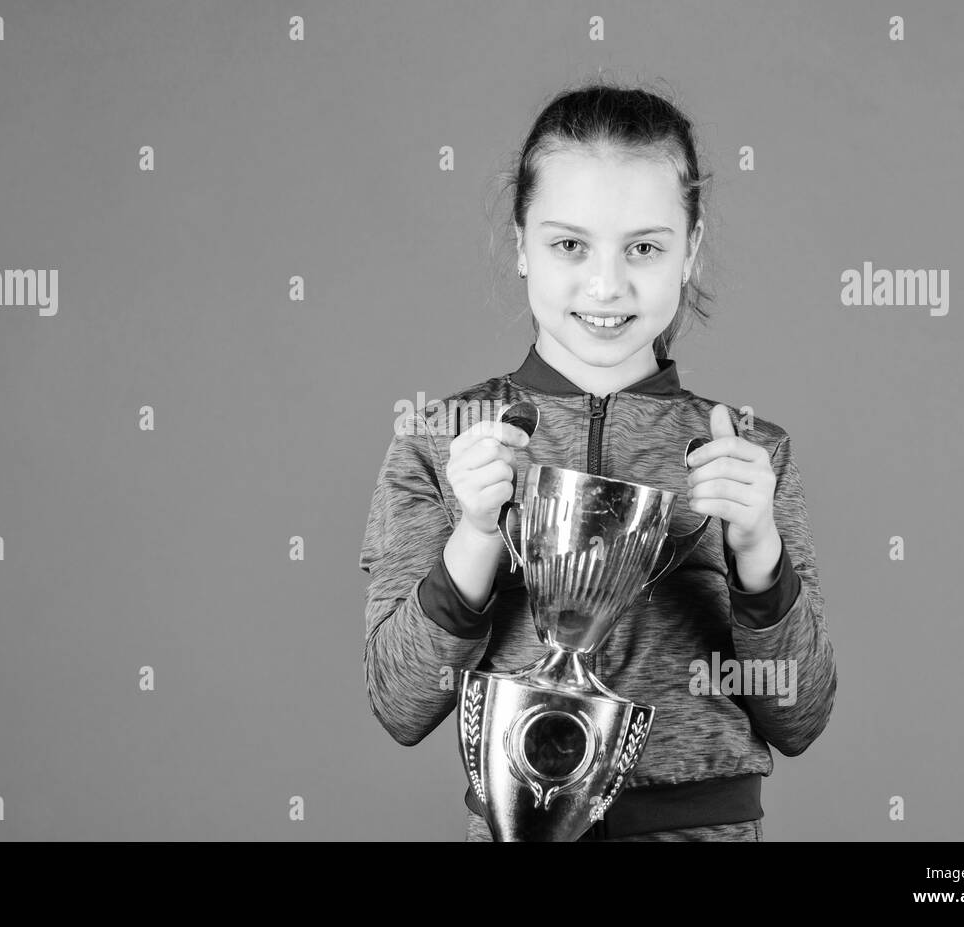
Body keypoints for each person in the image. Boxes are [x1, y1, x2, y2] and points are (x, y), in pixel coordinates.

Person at [359, 81, 837, 842]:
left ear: (692, 249)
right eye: (569, 244)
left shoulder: (750, 454)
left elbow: (801, 716)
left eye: (644, 247)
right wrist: (477, 534)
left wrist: (758, 552)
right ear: (520, 244)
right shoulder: (440, 439)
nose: (607, 285)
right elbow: (401, 702)